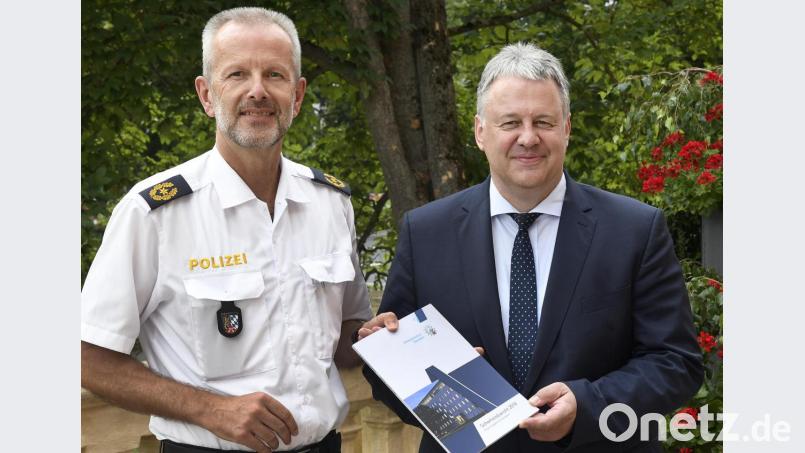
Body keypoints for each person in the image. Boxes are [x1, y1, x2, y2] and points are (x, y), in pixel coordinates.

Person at [359, 43, 704, 452]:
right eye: (510, 122)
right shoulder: (425, 232)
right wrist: (389, 354)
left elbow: (675, 362)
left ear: (567, 128)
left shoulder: (635, 229)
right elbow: (390, 378)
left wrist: (587, 405)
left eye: (543, 121)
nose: (528, 137)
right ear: (480, 131)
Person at [81, 7, 392, 453]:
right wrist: (210, 409)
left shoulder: (330, 204)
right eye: (237, 75)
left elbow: (341, 339)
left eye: (275, 75)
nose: (258, 91)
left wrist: (371, 337)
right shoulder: (155, 213)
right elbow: (87, 358)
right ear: (207, 95)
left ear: (298, 95)